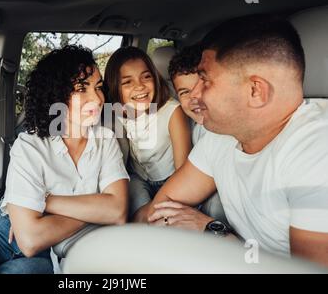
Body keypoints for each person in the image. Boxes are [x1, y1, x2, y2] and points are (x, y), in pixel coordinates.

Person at [146, 15, 328, 267]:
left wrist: (213, 231)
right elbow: (160, 209)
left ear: (255, 91)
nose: (195, 95)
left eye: (205, 80)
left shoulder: (317, 152)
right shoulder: (221, 136)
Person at [0, 45, 129, 274]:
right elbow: (30, 235)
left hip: (48, 248)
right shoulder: (29, 145)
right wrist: (95, 213)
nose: (96, 99)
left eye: (98, 88)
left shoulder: (106, 140)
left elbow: (117, 211)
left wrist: (45, 201)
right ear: (56, 95)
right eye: (81, 89)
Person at [104, 46, 191, 222]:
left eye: (146, 77)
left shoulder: (172, 111)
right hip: (138, 177)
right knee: (136, 216)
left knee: (155, 220)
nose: (140, 86)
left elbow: (184, 172)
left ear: (155, 78)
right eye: (127, 82)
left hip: (171, 179)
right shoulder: (117, 112)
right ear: (115, 87)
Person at [168, 44, 227, 223]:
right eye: (184, 92)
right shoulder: (191, 125)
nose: (195, 97)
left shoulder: (223, 133)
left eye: (201, 86)